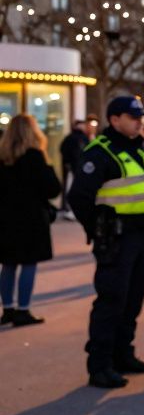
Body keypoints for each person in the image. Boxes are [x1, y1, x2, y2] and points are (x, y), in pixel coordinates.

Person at [68, 95, 144, 389]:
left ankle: (123, 355)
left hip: (141, 237)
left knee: (133, 301)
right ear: (114, 120)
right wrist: (99, 229)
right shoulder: (100, 152)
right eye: (133, 116)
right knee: (111, 302)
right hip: (117, 240)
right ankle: (99, 365)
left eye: (140, 116)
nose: (139, 121)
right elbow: (78, 197)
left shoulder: (140, 148)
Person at [0, 115, 63, 327]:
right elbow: (53, 189)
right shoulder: (35, 156)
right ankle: (23, 310)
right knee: (28, 263)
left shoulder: (3, 157)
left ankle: (7, 309)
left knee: (8, 264)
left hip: (5, 218)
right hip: (31, 218)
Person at [57, 119, 90, 214]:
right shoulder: (79, 138)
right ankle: (69, 208)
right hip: (75, 167)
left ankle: (68, 207)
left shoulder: (78, 137)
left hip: (75, 166)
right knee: (72, 186)